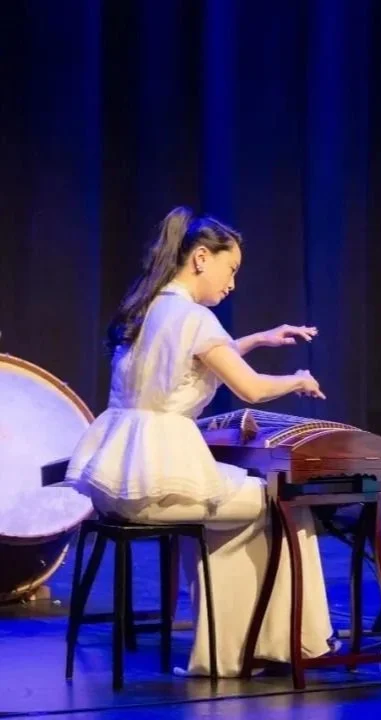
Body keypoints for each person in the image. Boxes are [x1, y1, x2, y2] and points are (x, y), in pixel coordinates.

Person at [66, 206, 336, 676]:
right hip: (156, 481)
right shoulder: (195, 318)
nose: (231, 283)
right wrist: (296, 378)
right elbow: (249, 388)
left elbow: (199, 357)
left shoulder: (148, 307)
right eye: (230, 269)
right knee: (282, 501)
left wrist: (261, 339)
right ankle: (291, 643)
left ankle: (232, 650)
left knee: (239, 503)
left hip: (119, 479)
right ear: (201, 259)